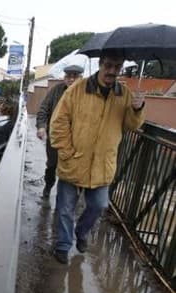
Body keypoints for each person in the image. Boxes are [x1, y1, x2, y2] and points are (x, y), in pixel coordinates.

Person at [49, 49, 145, 264]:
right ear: (100, 65)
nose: (112, 71)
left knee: (100, 205)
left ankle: (81, 233)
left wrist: (137, 109)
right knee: (65, 208)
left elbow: (131, 125)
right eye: (108, 65)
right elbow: (59, 122)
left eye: (117, 67)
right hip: (74, 159)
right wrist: (66, 151)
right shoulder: (77, 89)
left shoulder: (125, 94)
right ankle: (63, 245)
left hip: (102, 164)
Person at [36, 64, 84, 199]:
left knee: (71, 168)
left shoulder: (86, 94)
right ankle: (48, 186)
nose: (71, 79)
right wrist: (41, 126)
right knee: (52, 165)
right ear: (64, 77)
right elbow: (44, 109)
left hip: (76, 140)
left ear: (80, 78)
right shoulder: (56, 90)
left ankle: (64, 199)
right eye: (69, 76)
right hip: (55, 137)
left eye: (75, 76)